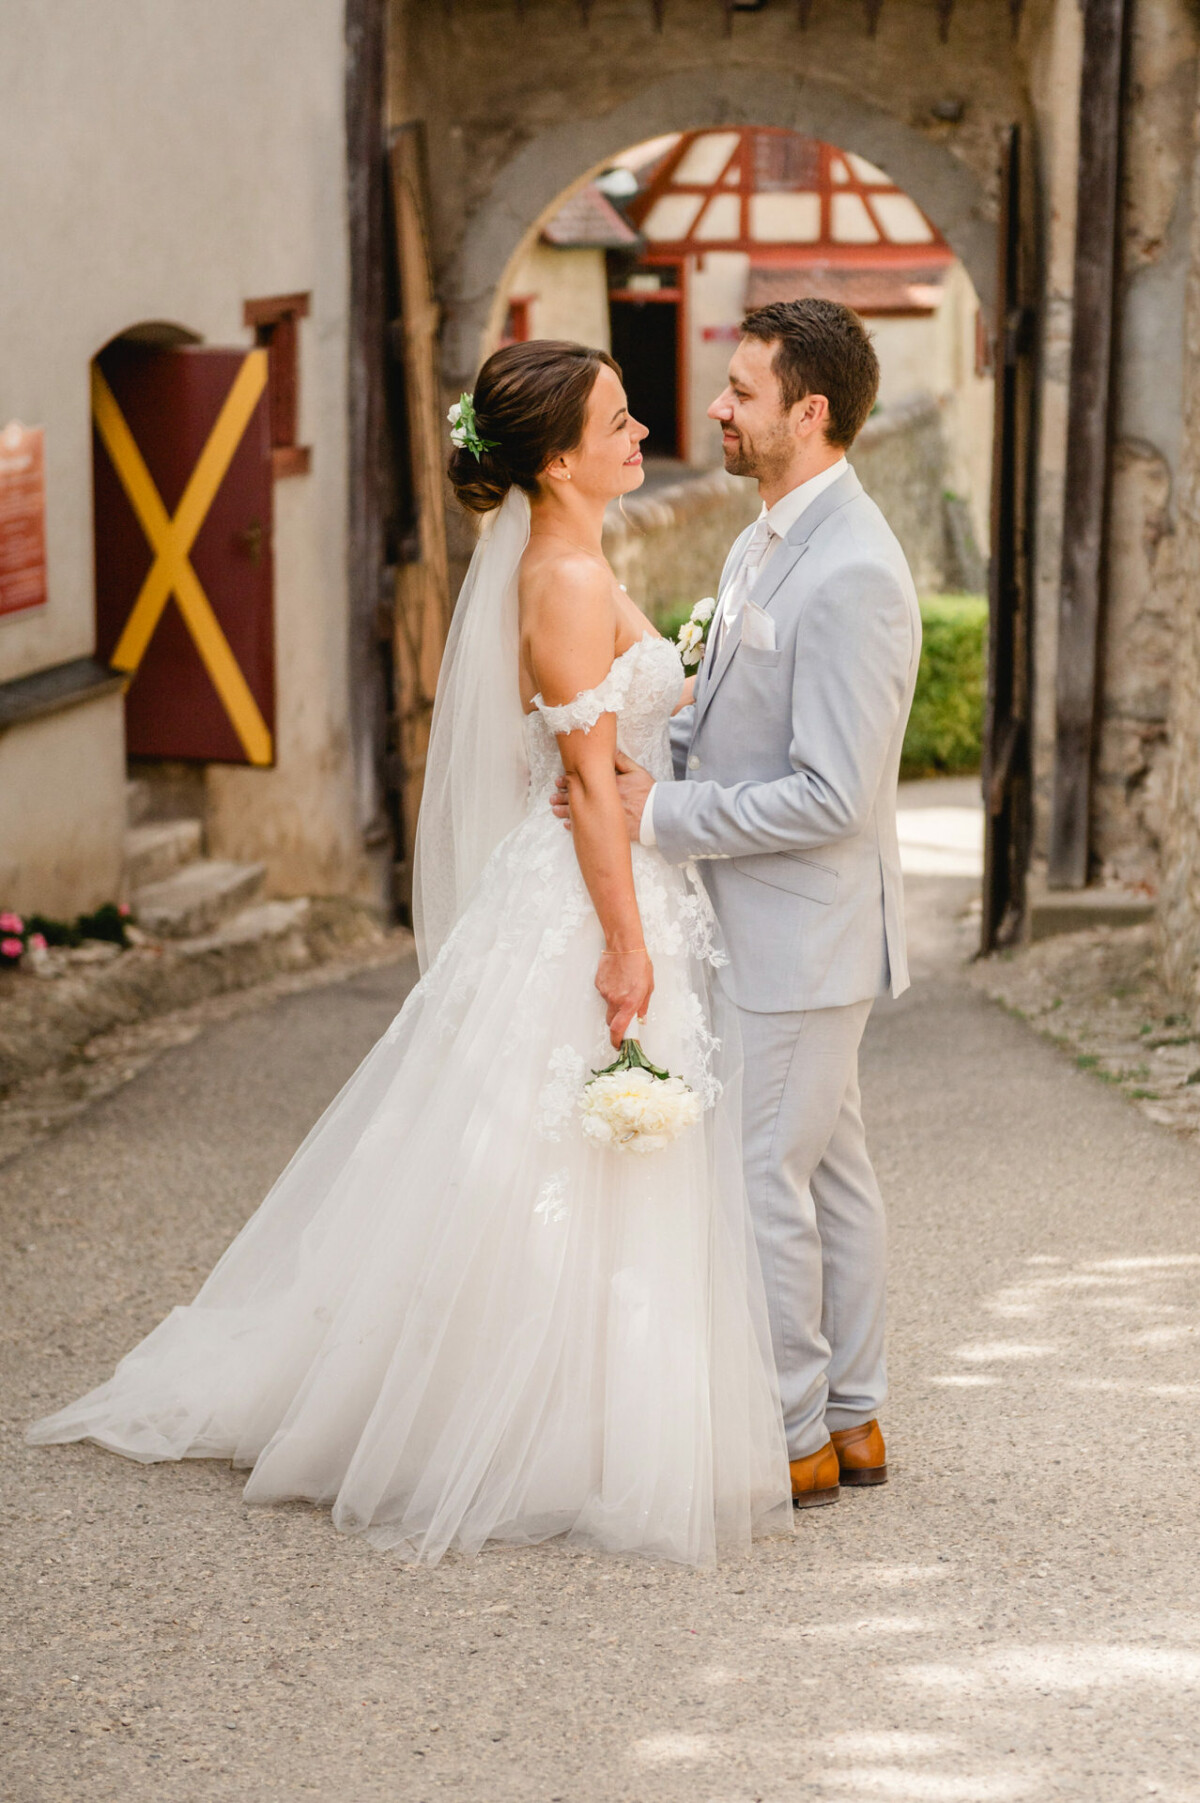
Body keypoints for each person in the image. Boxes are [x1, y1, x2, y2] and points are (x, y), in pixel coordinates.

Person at [27, 340, 791, 1567]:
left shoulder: (583, 558)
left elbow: (655, 710)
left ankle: (583, 1403)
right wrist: (627, 948)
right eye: (618, 419)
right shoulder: (565, 579)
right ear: (556, 459)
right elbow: (591, 796)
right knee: (571, 1137)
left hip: (603, 876)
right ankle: (523, 1421)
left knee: (576, 1152)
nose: (644, 431)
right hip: (591, 902)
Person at [555, 300, 921, 1507]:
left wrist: (658, 815)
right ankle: (854, 1420)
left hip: (799, 931)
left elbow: (830, 795)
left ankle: (796, 1432)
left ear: (809, 414)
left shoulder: (856, 569)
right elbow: (733, 714)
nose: (715, 407)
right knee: (827, 1173)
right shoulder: (765, 536)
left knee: (770, 1172)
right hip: (771, 925)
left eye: (742, 391)